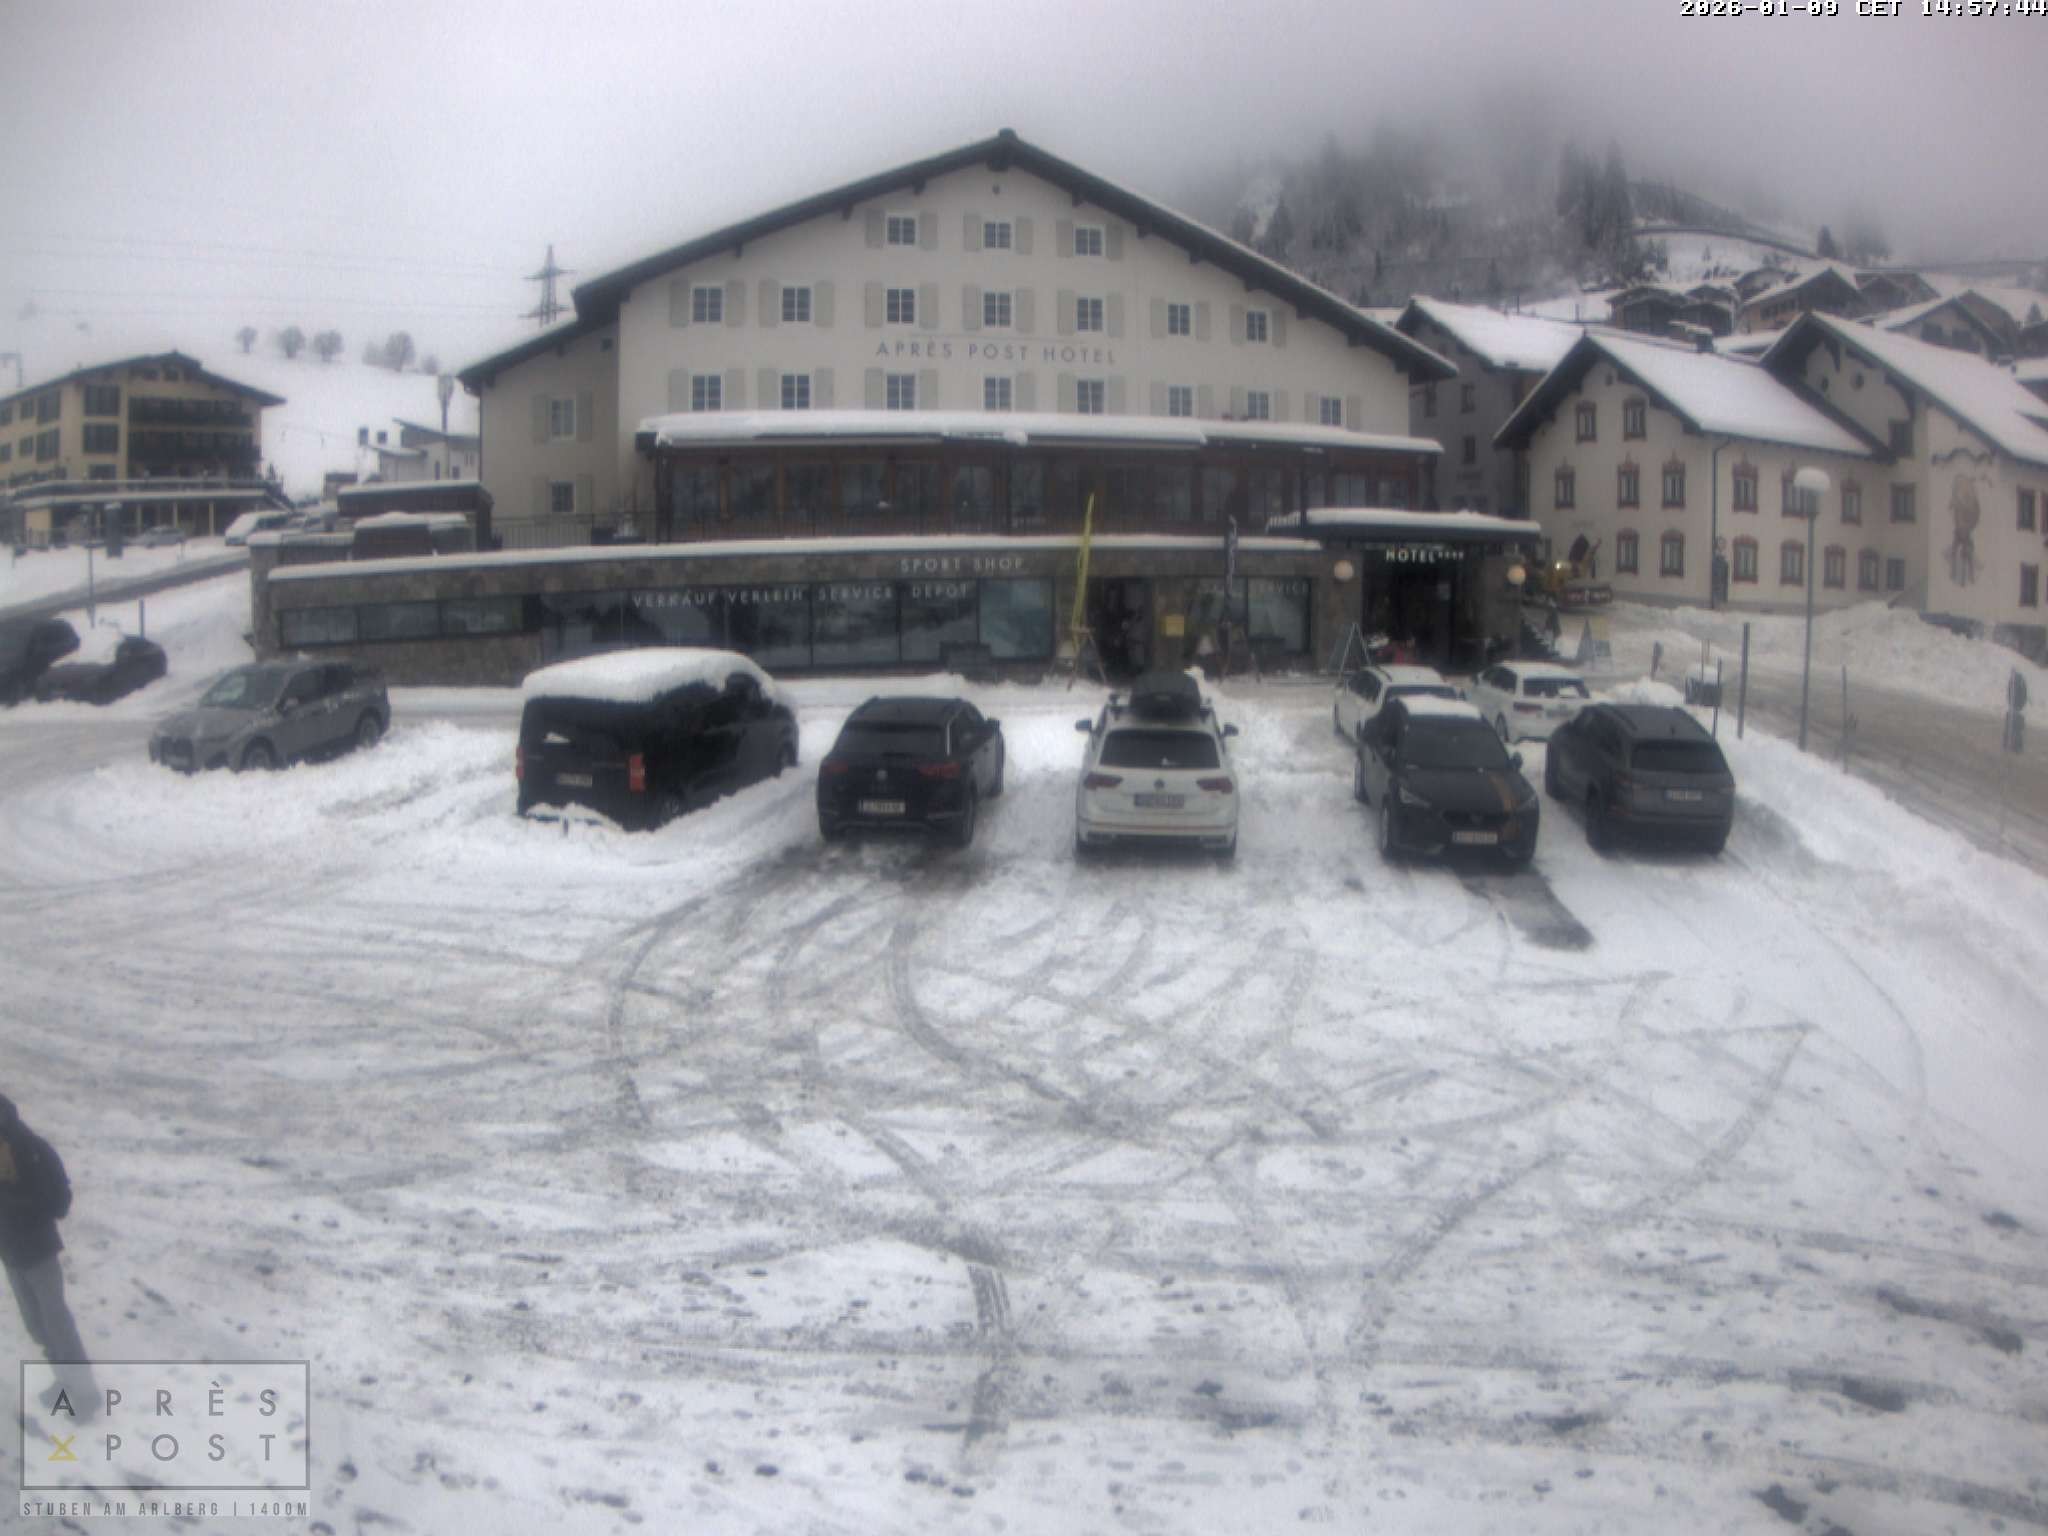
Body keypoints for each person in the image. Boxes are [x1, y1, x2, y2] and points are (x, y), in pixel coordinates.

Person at [1, 1093, 95, 1411]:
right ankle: (65, 1384)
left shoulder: (34, 1151)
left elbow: (59, 1203)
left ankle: (84, 1396)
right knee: (36, 1326)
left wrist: (12, 1207)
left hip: (39, 1252)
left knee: (57, 1325)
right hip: (11, 1253)